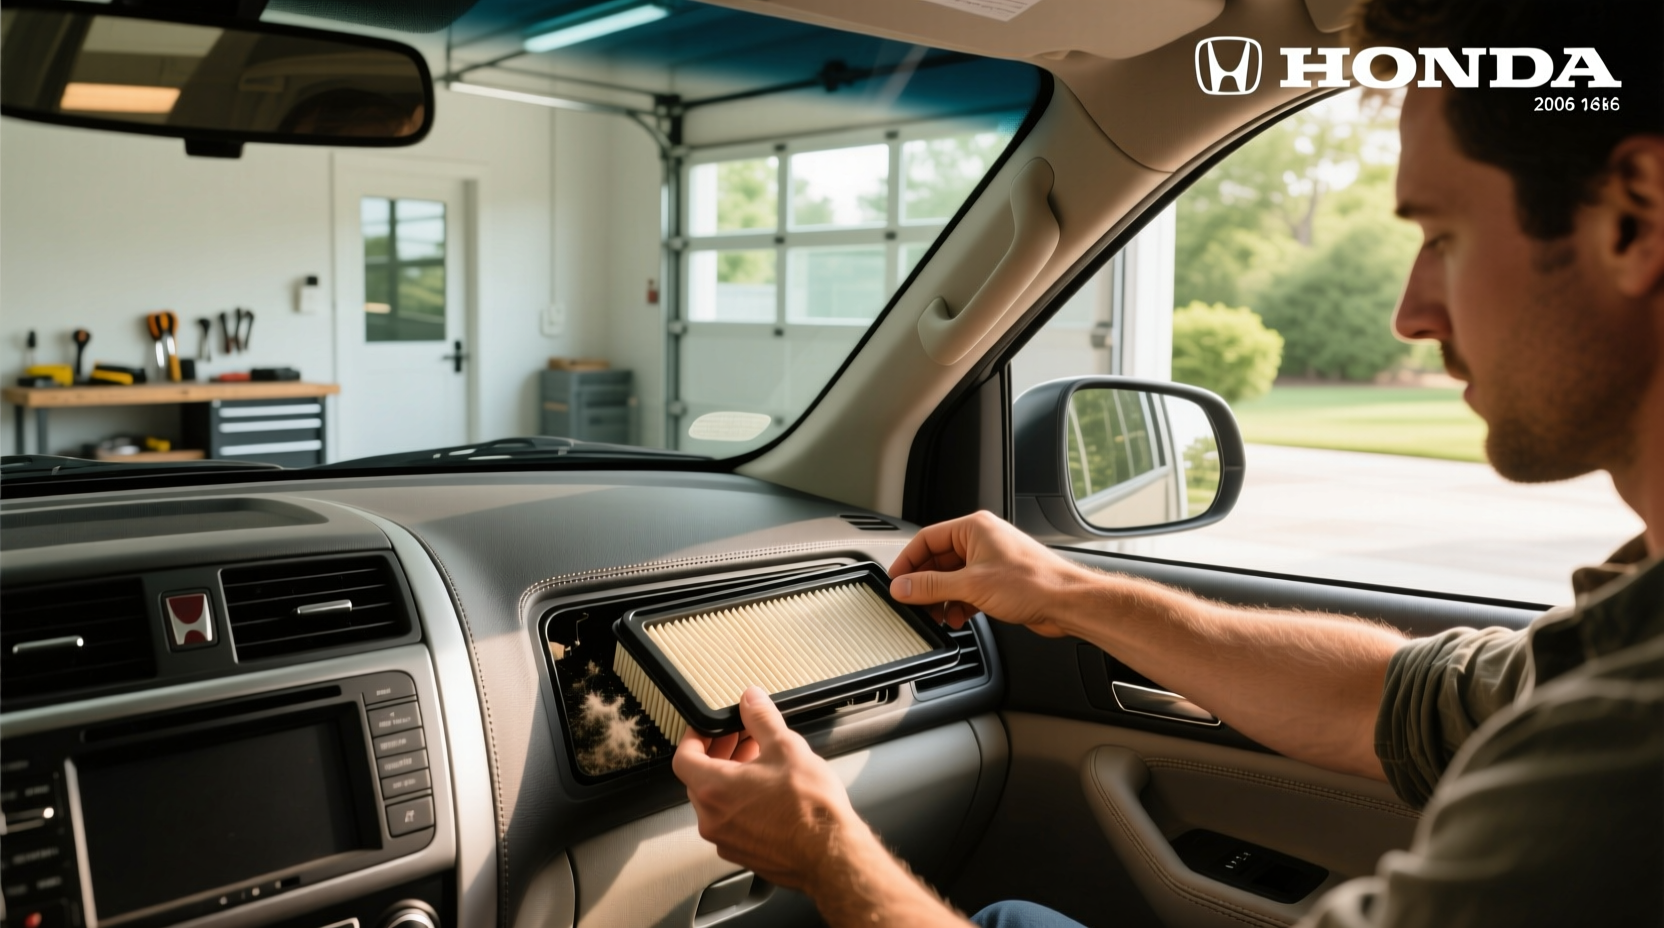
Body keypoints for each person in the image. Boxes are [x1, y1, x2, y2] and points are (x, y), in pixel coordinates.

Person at [672, 0, 1664, 924]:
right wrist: (1062, 589)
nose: (1409, 313)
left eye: (1440, 236)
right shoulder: (1633, 614)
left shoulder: (1615, 757)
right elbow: (1393, 702)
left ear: (1634, 217)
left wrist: (827, 851)